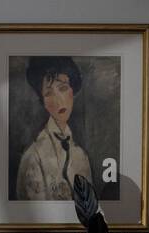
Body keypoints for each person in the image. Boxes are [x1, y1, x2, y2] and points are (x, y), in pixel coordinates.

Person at [15, 56, 95, 201]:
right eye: (49, 93)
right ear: (43, 101)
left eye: (63, 89)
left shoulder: (81, 156)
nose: (58, 101)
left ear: (73, 91)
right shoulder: (34, 156)